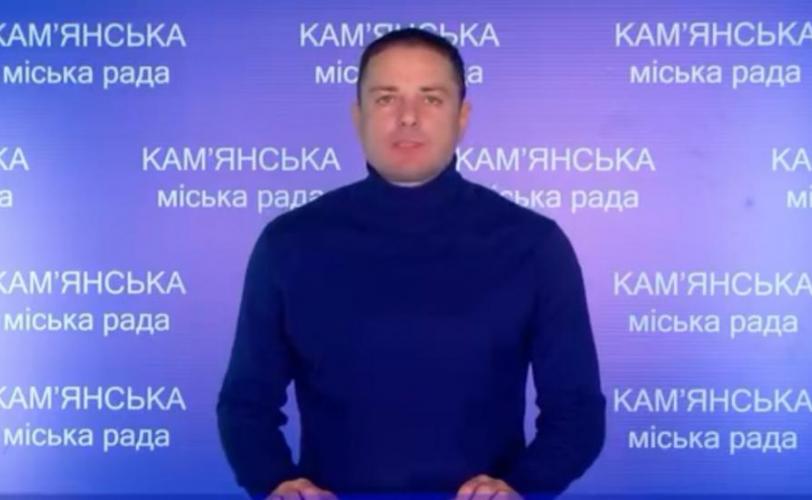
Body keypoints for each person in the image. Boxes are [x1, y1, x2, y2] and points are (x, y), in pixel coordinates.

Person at [216, 27, 606, 500]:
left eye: (431, 98)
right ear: (357, 116)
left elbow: (577, 411)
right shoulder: (288, 243)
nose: (407, 117)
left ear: (462, 117)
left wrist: (521, 487)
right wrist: (275, 482)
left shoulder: (534, 245)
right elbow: (245, 404)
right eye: (386, 98)